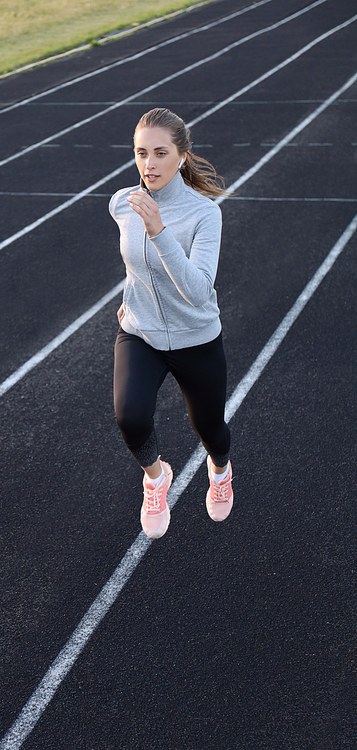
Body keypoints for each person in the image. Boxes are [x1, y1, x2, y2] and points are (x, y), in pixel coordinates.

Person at [109, 107, 233, 539]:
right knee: (130, 416)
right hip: (140, 333)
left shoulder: (204, 215)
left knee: (210, 428)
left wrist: (159, 229)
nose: (149, 164)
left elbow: (198, 291)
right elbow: (134, 265)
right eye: (141, 153)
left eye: (160, 153)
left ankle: (220, 472)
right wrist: (129, 301)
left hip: (195, 337)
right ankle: (157, 478)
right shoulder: (121, 204)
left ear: (181, 156)